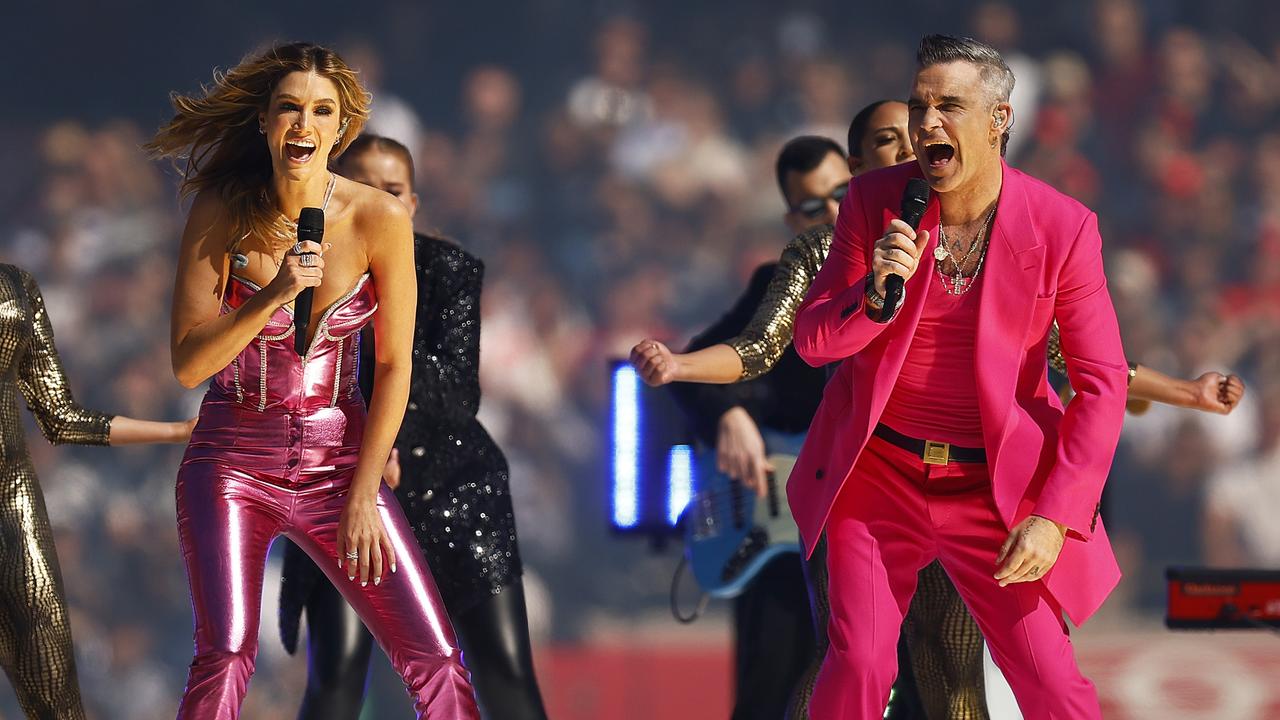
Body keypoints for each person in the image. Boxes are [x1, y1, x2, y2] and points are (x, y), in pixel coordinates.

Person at [635, 99, 1245, 720]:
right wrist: (697, 380)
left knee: (953, 671)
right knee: (847, 663)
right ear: (857, 170)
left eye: (913, 142)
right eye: (815, 202)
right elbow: (764, 345)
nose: (908, 154)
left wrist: (1187, 392)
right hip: (857, 479)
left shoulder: (970, 239)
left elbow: (1074, 354)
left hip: (968, 481)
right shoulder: (831, 251)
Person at [789, 34, 1125, 718]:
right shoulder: (873, 203)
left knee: (1052, 683)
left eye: (949, 106)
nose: (926, 125)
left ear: (1000, 120)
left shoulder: (1063, 228)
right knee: (858, 663)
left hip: (994, 491)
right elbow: (816, 342)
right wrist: (876, 293)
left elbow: (1102, 383)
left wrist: (1055, 518)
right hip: (878, 476)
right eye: (918, 108)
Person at [146, 42, 478, 719]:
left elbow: (392, 366)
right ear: (266, 123)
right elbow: (187, 363)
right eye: (289, 109)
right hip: (233, 455)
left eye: (320, 111)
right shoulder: (221, 210)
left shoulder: (380, 218)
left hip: (339, 457)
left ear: (342, 127)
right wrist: (272, 293)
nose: (304, 125)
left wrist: (361, 492)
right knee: (229, 651)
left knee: (436, 657)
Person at [278, 134, 547, 720]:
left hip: (455, 483)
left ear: (413, 202)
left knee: (503, 672)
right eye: (362, 187)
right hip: (352, 487)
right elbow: (286, 384)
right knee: (336, 676)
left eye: (392, 190)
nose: (378, 201)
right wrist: (363, 452)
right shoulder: (300, 271)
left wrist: (378, 325)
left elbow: (457, 391)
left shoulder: (449, 270)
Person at [0, 263, 193, 720]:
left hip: (13, 504)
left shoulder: (15, 288)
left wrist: (176, 430)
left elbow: (61, 416)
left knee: (53, 693)